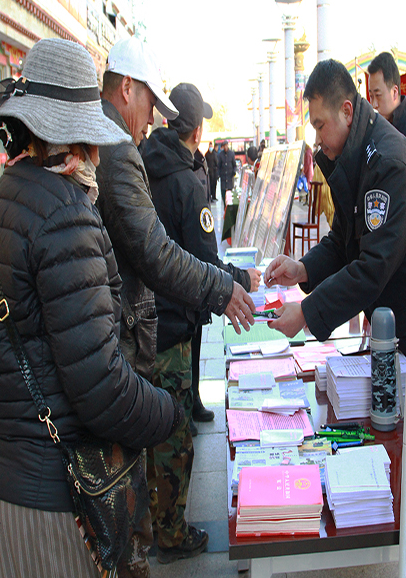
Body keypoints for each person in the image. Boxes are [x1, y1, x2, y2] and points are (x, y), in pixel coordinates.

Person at [0, 39, 182, 578]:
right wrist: (166, 412)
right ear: (78, 134)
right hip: (50, 509)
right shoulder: (64, 216)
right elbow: (100, 387)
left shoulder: (1, 202)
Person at [96, 38, 255, 576]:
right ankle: (157, 536)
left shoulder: (132, 153)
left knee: (149, 443)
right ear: (126, 90)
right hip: (137, 331)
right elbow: (160, 253)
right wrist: (224, 289)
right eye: (147, 106)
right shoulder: (118, 153)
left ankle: (147, 534)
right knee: (165, 436)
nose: (148, 122)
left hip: (136, 328)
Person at [139, 83, 261, 561]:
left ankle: (150, 516)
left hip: (145, 320)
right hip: (172, 325)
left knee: (151, 426)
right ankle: (169, 531)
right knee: (175, 435)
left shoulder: (143, 165)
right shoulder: (186, 182)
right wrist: (241, 279)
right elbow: (203, 261)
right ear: (197, 128)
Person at [265, 58, 406, 366]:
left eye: (320, 125)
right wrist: (302, 269)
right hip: (383, 323)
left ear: (347, 111)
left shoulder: (387, 162)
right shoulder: (355, 154)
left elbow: (372, 267)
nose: (318, 139)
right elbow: (342, 239)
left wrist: (308, 312)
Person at [367, 51, 406, 159]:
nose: (374, 104)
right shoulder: (372, 132)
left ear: (394, 92)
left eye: (378, 95)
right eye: (371, 96)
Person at [217, 140, 236, 204]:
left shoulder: (231, 154)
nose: (225, 147)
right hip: (223, 178)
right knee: (223, 194)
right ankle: (225, 207)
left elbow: (234, 165)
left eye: (226, 145)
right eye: (224, 146)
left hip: (230, 177)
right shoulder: (220, 155)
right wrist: (218, 174)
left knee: (230, 195)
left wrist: (234, 172)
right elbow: (218, 166)